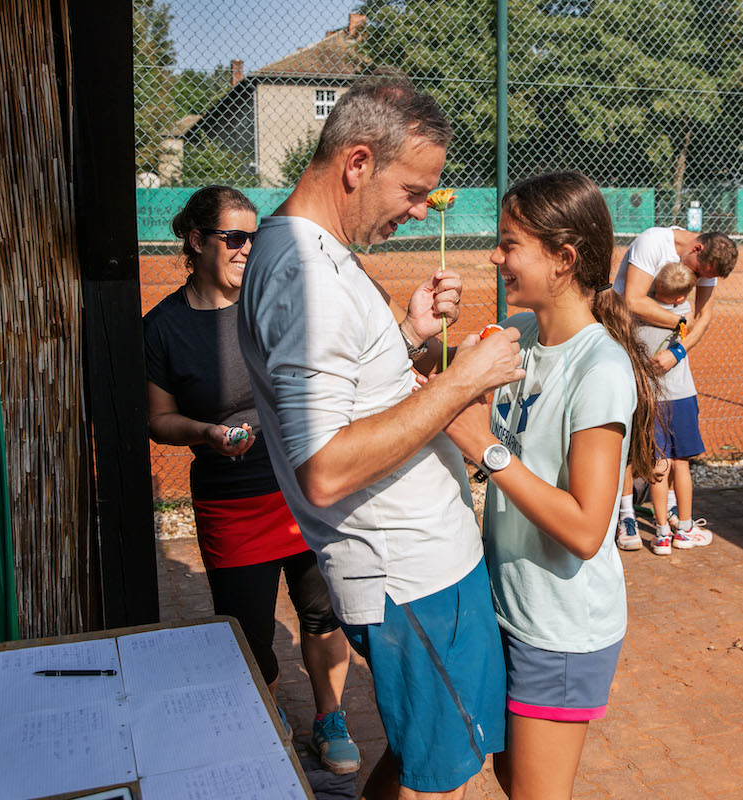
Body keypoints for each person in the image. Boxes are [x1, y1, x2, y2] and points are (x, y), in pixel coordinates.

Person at [236, 73, 525, 800]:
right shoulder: (307, 276)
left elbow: (346, 393)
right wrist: (463, 380)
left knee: (418, 757)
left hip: (423, 563)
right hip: (410, 574)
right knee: (441, 778)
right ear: (358, 163)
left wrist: (408, 336)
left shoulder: (312, 255)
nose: (422, 209)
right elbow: (326, 467)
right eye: (414, 190)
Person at [443, 172, 662, 800]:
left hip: (560, 628)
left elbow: (588, 529)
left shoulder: (600, 368)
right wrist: (424, 335)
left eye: (510, 244)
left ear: (564, 259)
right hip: (509, 606)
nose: (495, 257)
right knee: (512, 776)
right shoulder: (521, 331)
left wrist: (485, 449)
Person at [143, 186, 360, 774]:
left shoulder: (273, 303)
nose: (247, 250)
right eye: (234, 238)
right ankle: (268, 713)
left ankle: (330, 715)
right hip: (231, 502)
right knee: (248, 632)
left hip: (303, 488)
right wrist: (205, 433)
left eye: (254, 238)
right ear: (197, 241)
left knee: (322, 612)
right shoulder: (162, 328)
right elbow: (158, 419)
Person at [612, 225, 738, 551]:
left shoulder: (705, 264)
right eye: (700, 272)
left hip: (668, 372)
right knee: (630, 442)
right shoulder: (653, 242)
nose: (700, 279)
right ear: (697, 249)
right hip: (624, 346)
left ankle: (669, 516)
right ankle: (626, 516)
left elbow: (704, 316)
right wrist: (680, 322)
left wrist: (678, 351)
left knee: (667, 451)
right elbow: (633, 300)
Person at [642, 262, 712, 555]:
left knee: (658, 464)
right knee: (681, 463)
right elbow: (701, 319)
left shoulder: (639, 311)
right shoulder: (684, 313)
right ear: (681, 297)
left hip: (651, 398)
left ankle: (661, 534)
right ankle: (683, 529)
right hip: (682, 397)